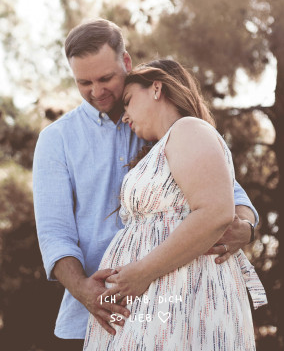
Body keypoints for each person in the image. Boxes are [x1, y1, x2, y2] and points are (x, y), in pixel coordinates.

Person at [33, 19, 259, 350]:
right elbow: (55, 235)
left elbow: (228, 195)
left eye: (106, 78)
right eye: (84, 82)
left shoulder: (161, 122)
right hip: (93, 315)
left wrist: (247, 227)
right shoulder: (57, 140)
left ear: (126, 63)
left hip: (170, 306)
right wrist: (85, 291)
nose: (97, 91)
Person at [83, 61, 267, 350]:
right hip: (155, 294)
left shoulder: (189, 130)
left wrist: (142, 271)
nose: (125, 116)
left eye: (129, 101)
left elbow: (216, 211)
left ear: (157, 88)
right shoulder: (167, 145)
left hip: (183, 291)